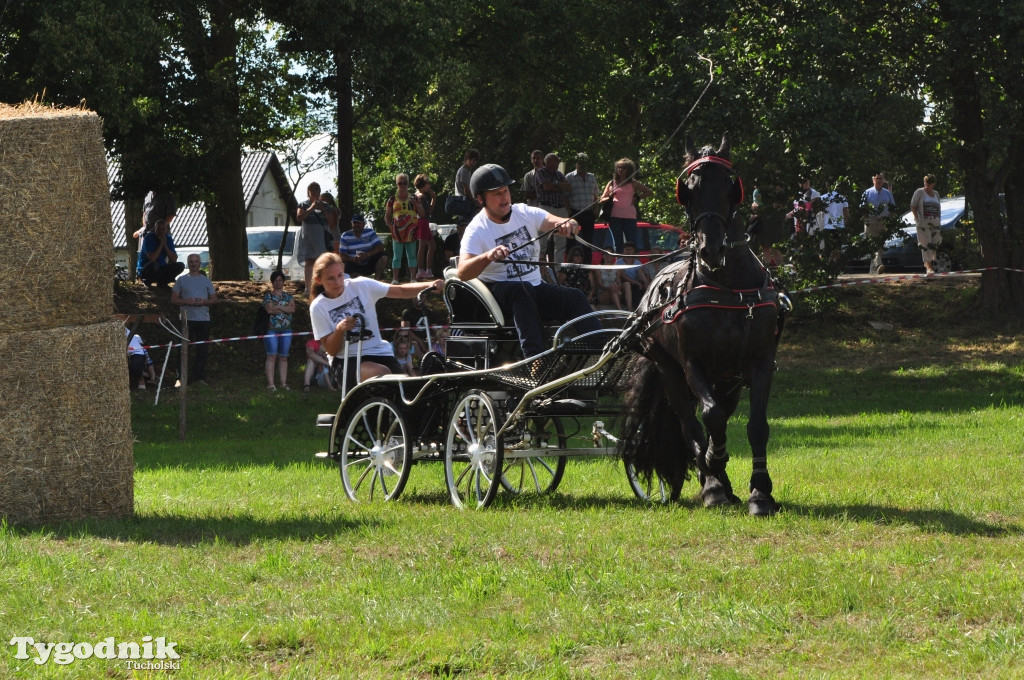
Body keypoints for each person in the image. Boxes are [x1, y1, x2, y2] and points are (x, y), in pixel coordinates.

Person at [457, 163, 600, 358]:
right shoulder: (476, 229)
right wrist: (488, 256)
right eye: (496, 194)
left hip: (534, 288)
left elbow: (554, 220)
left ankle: (602, 351)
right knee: (521, 291)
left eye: (505, 191)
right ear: (480, 199)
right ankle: (536, 360)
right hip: (501, 292)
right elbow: (463, 272)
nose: (504, 197)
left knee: (574, 296)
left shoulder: (524, 212)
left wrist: (568, 223)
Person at [308, 253, 442, 390]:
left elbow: (400, 290)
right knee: (382, 373)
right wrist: (339, 330)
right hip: (346, 361)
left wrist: (431, 285)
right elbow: (331, 350)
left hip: (379, 353)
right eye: (330, 279)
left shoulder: (361, 285)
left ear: (343, 270)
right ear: (319, 280)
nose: (337, 282)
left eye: (340, 275)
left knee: (408, 389)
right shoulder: (318, 306)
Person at [170, 253, 218, 386]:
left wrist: (204, 301)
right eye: (191, 261)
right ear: (188, 263)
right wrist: (186, 301)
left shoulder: (206, 280)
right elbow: (173, 299)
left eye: (196, 261)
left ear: (200, 263)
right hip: (186, 319)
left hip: (203, 319)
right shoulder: (181, 280)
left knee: (202, 349)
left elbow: (214, 299)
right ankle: (180, 378)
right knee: (183, 349)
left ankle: (199, 378)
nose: (194, 263)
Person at [599, 158, 654, 252]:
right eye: (619, 167)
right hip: (614, 217)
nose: (620, 169)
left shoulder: (633, 182)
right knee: (618, 243)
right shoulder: (612, 183)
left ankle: (634, 264)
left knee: (631, 242)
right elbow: (601, 200)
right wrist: (610, 197)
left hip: (630, 217)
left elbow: (649, 192)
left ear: (628, 170)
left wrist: (638, 197)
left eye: (623, 168)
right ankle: (619, 264)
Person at [385, 173, 425, 283]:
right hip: (397, 232)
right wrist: (390, 227)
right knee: (396, 256)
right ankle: (395, 278)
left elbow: (422, 214)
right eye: (400, 183)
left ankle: (412, 277)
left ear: (408, 184)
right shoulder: (392, 199)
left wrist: (415, 204)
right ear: (396, 184)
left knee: (412, 255)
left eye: (404, 183)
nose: (402, 185)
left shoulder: (414, 198)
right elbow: (387, 216)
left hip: (411, 231)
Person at [534, 152, 572, 268]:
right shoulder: (541, 172)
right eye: (553, 161)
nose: (555, 163)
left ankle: (558, 269)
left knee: (561, 242)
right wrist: (559, 185)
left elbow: (568, 187)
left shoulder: (559, 174)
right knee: (542, 240)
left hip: (560, 208)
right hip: (546, 208)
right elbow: (547, 187)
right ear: (546, 162)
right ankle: (540, 267)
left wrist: (555, 184)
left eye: (557, 161)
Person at [296, 182, 332, 295]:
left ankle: (322, 288)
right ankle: (308, 288)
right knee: (309, 262)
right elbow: (299, 218)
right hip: (308, 238)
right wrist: (311, 208)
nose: (315, 192)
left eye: (317, 189)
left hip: (321, 239)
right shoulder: (303, 204)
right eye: (312, 190)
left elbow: (331, 222)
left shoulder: (325, 206)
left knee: (322, 263)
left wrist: (324, 210)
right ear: (308, 192)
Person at [262, 270, 296, 391]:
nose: (278, 283)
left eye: (280, 280)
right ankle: (271, 384)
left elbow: (292, 309)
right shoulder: (268, 296)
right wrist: (285, 308)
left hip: (286, 329)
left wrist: (278, 307)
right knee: (271, 356)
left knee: (284, 357)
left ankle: (283, 383)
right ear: (272, 282)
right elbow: (270, 310)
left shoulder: (289, 296)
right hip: (271, 330)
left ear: (283, 282)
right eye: (275, 281)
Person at [566, 152, 600, 263]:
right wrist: (569, 212)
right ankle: (570, 265)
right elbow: (564, 196)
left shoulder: (592, 177)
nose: (582, 166)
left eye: (584, 163)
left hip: (588, 212)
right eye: (580, 163)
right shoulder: (569, 177)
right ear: (576, 164)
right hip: (574, 212)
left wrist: (595, 211)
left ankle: (587, 266)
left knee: (588, 241)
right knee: (571, 240)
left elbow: (595, 195)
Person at [861, 172, 897, 274]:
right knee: (873, 244)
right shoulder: (867, 192)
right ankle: (878, 264)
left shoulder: (888, 193)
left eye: (881, 179)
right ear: (873, 180)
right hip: (871, 220)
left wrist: (892, 221)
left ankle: (874, 270)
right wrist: (866, 220)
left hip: (884, 221)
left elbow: (892, 208)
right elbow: (863, 208)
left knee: (880, 244)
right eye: (877, 179)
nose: (879, 181)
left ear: (883, 180)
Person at [136, 219, 185, 288]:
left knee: (180, 265)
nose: (161, 231)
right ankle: (147, 281)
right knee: (155, 264)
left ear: (166, 230)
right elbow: (152, 258)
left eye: (163, 229)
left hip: (161, 268)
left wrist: (165, 245)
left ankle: (162, 282)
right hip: (147, 268)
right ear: (155, 229)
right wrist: (161, 244)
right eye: (159, 229)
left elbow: (174, 259)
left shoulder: (168, 239)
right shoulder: (148, 238)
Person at [910, 174, 942, 274]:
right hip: (923, 223)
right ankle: (929, 267)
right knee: (925, 244)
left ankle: (929, 262)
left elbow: (938, 207)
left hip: (935, 223)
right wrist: (917, 218)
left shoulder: (936, 194)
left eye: (929, 183)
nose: (926, 185)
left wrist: (939, 219)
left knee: (935, 243)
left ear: (933, 184)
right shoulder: (919, 192)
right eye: (925, 183)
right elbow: (913, 205)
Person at [338, 214, 386, 279]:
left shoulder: (370, 232)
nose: (356, 225)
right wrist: (353, 259)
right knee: (342, 266)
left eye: (359, 223)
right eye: (354, 223)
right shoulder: (345, 236)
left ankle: (376, 281)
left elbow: (380, 247)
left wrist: (367, 255)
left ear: (363, 224)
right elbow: (342, 256)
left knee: (383, 257)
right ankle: (355, 282)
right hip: (353, 265)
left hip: (369, 263)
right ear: (352, 224)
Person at [413, 174, 437, 280]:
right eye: (428, 183)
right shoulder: (421, 197)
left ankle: (428, 270)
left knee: (432, 246)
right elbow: (430, 211)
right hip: (422, 222)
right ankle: (421, 271)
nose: (429, 186)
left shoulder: (416, 195)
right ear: (424, 184)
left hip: (422, 222)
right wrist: (434, 198)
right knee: (422, 247)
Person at [445, 148, 480, 221]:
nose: (473, 162)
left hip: (464, 202)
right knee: (467, 223)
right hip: (463, 202)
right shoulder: (464, 171)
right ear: (466, 159)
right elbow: (466, 190)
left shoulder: (467, 171)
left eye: (475, 161)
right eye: (472, 160)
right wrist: (474, 201)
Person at [616, 242, 646, 308]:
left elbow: (641, 273)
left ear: (634, 251)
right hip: (624, 283)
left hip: (635, 283)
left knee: (643, 286)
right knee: (634, 286)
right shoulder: (619, 262)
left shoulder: (637, 262)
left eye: (631, 249)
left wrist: (646, 282)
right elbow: (623, 276)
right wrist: (637, 283)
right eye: (627, 249)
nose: (629, 251)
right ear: (623, 251)